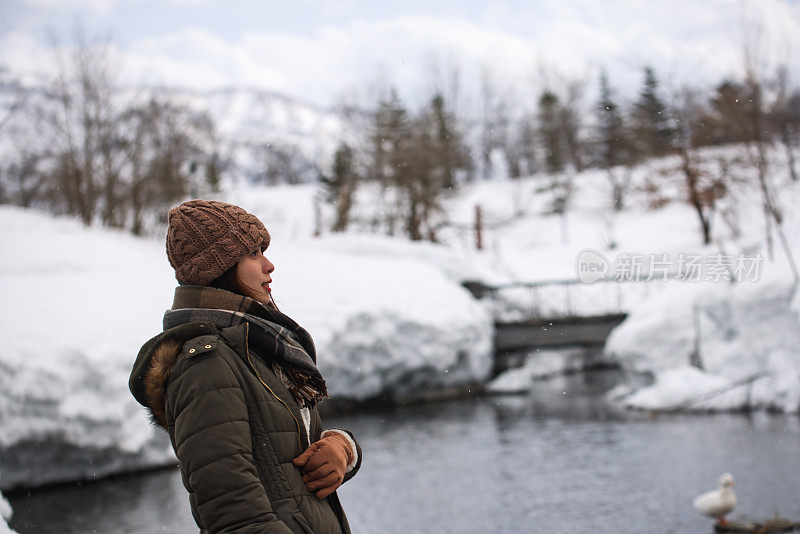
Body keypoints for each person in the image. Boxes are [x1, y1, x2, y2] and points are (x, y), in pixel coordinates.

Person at [129, 199, 361, 533]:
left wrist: (341, 448)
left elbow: (282, 459)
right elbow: (234, 513)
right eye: (253, 254)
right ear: (218, 268)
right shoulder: (205, 364)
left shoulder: (256, 344)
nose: (269, 265)